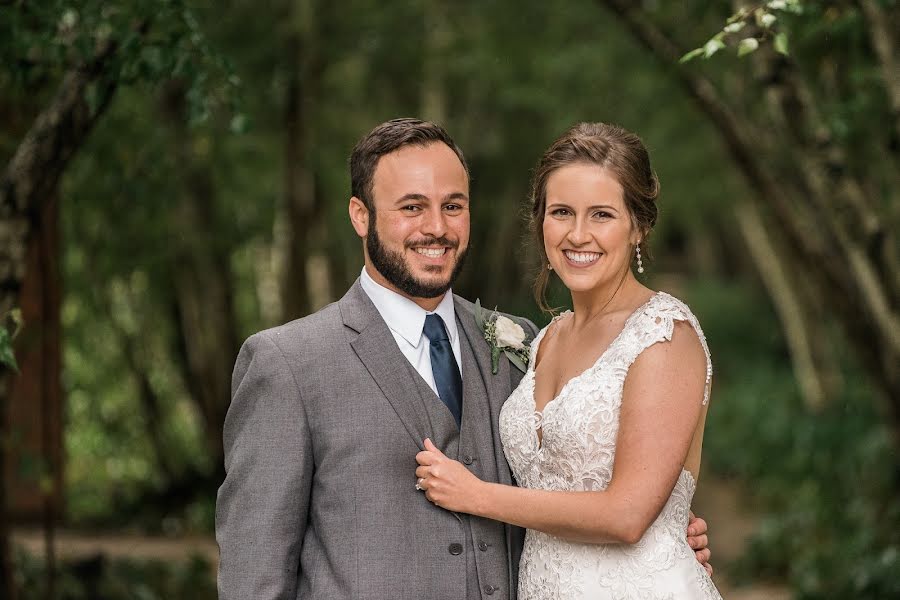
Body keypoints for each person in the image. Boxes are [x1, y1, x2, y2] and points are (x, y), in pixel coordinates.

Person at [216, 118, 712, 599]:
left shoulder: (519, 345)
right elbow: (254, 574)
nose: (436, 227)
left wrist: (664, 536)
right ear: (360, 215)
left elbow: (612, 494)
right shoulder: (286, 364)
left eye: (453, 205)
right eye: (412, 207)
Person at [414, 122, 722, 599]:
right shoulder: (544, 340)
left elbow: (626, 516)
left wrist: (476, 495)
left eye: (601, 215)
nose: (578, 235)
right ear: (541, 222)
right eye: (562, 212)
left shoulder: (663, 335)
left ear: (637, 225)